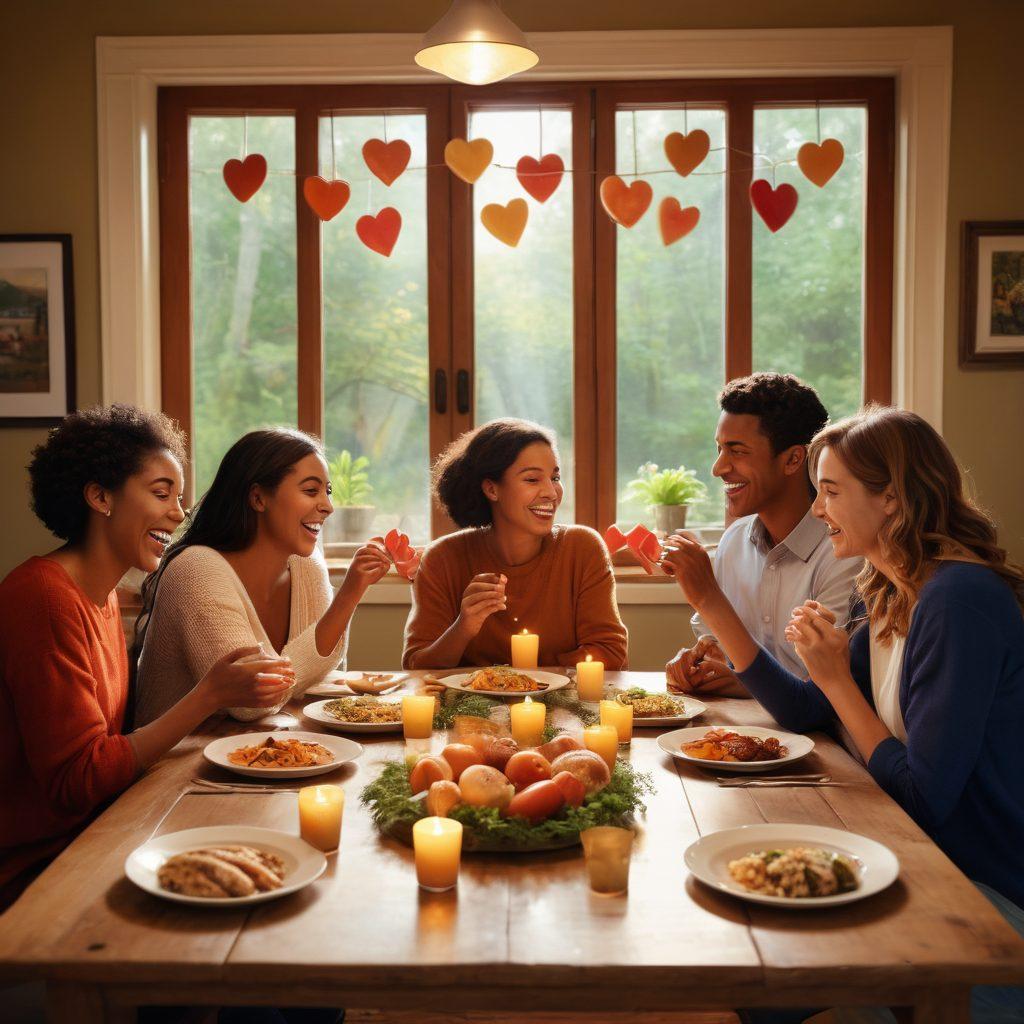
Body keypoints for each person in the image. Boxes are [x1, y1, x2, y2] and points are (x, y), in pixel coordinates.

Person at [663, 406, 1024, 1024]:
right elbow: (805, 709)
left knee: (738, 996)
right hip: (915, 858)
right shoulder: (892, 587)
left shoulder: (958, 601)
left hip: (978, 893)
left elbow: (926, 798)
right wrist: (712, 606)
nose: (817, 508)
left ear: (892, 500)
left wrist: (834, 680)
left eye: (830, 492)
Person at [0, 406, 292, 911]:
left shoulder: (104, 593)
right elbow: (77, 780)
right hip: (37, 860)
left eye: (178, 498)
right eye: (161, 494)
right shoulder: (42, 597)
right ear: (100, 497)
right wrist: (208, 696)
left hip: (100, 826)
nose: (178, 514)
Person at [134, 428, 391, 726]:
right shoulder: (195, 570)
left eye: (327, 492)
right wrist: (346, 596)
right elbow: (251, 704)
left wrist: (355, 589)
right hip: (176, 762)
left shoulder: (306, 563)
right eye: (310, 491)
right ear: (258, 498)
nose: (328, 506)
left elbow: (318, 674)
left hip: (260, 749)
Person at [665, 373, 861, 697]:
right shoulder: (734, 541)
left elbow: (824, 692)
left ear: (793, 459)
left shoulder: (843, 552)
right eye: (719, 449)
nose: (718, 468)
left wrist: (746, 682)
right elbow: (717, 644)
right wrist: (701, 661)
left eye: (737, 451)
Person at [403, 419, 627, 670]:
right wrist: (463, 627)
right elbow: (416, 666)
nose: (551, 493)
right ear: (491, 489)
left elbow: (611, 653)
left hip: (563, 706)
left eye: (555, 477)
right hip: (468, 709)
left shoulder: (582, 548)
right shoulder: (442, 558)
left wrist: (516, 678)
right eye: (532, 479)